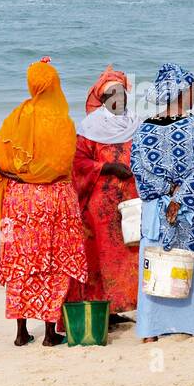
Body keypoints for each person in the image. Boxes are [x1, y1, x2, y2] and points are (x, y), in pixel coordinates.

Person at [0, 57, 86, 346]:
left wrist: (20, 175)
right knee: (53, 262)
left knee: (23, 261)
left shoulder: (18, 116)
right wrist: (41, 175)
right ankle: (48, 333)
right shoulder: (64, 122)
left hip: (20, 200)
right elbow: (63, 163)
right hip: (56, 198)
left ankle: (20, 332)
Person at [131, 63, 194, 342]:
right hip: (191, 209)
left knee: (155, 263)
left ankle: (151, 330)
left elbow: (139, 170)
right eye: (191, 89)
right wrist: (179, 198)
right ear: (180, 91)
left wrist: (166, 191)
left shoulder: (143, 130)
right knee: (192, 263)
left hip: (155, 209)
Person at [69, 66, 141, 326]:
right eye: (111, 93)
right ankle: (102, 310)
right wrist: (107, 167)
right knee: (100, 256)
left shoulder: (135, 121)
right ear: (101, 99)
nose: (118, 98)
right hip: (100, 204)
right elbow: (78, 164)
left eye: (121, 92)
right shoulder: (90, 127)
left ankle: (118, 307)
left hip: (130, 201)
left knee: (127, 252)